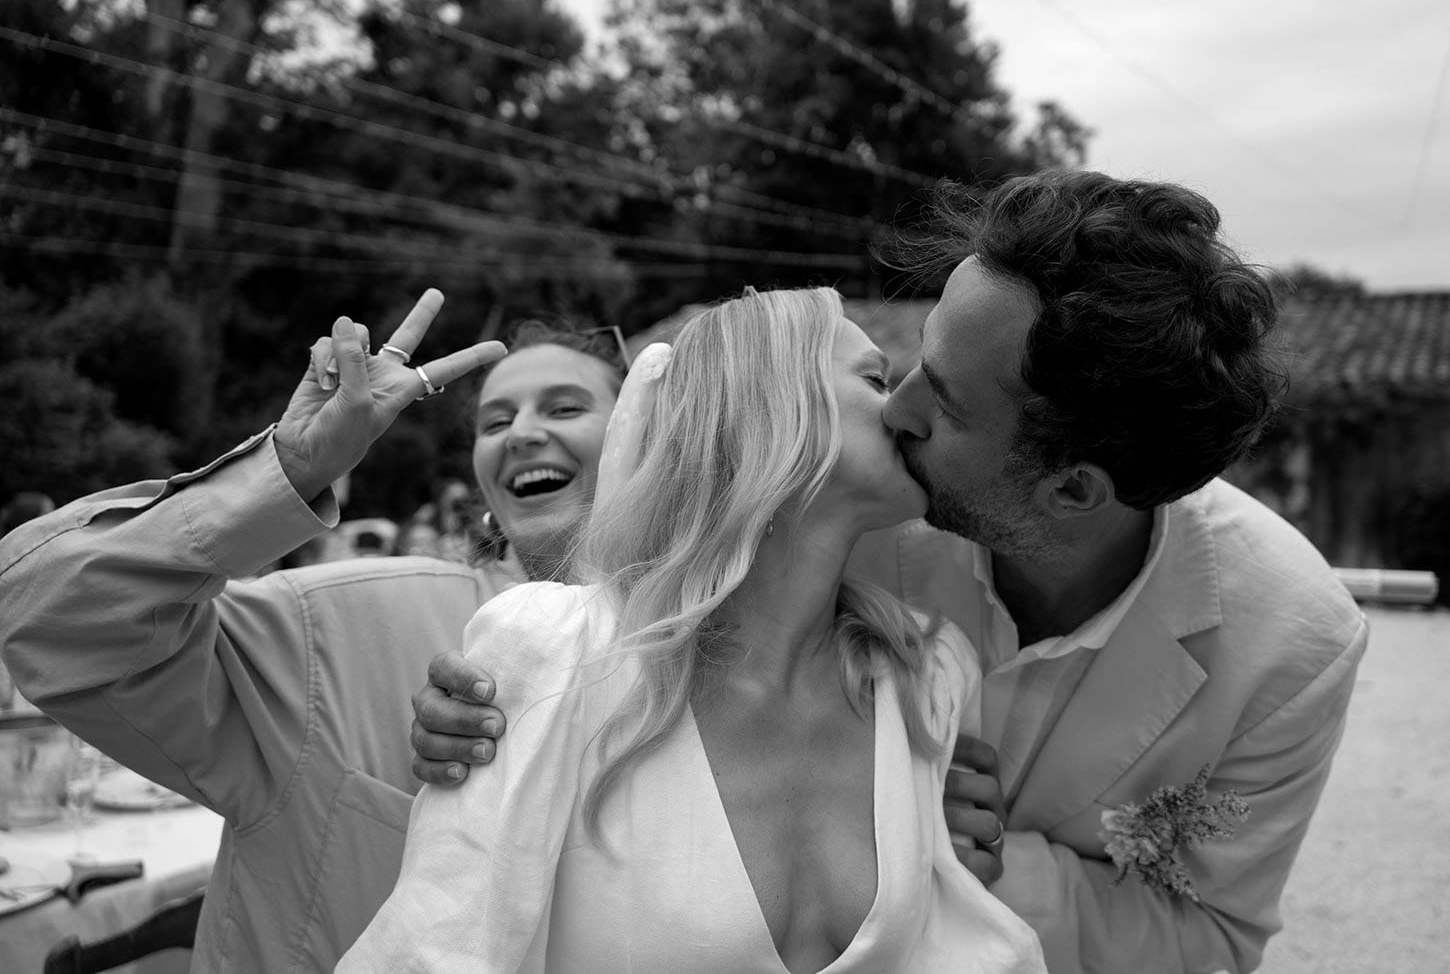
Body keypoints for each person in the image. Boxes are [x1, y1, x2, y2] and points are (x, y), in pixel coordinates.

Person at [413, 170, 1370, 974]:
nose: (898, 409)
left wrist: (953, 856)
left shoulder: (1293, 640)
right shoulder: (853, 500)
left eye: (942, 400)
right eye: (900, 364)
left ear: (1072, 490)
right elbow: (664, 536)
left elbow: (1209, 938)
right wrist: (509, 703)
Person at [340, 287, 1045, 972]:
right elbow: (439, 947)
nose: (903, 405)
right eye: (873, 376)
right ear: (770, 402)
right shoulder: (559, 651)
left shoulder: (927, 674)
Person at [0, 290, 626, 972]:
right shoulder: (339, 627)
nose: (522, 432)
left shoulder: (719, 663)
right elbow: (48, 615)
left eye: (564, 407)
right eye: (494, 420)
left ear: (643, 439)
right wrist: (287, 471)